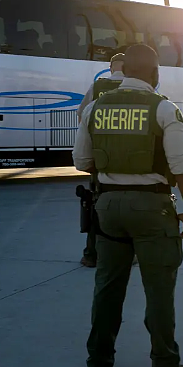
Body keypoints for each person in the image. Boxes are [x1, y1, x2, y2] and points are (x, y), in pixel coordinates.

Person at [72, 44, 183, 367]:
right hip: (153, 209)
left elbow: (82, 162)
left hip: (107, 208)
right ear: (155, 75)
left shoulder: (96, 107)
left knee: (107, 287)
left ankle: (98, 363)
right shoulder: (163, 109)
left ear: (124, 72)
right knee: (158, 290)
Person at [77, 53, 126, 268]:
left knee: (96, 205)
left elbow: (82, 114)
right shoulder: (142, 90)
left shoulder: (98, 88)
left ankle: (91, 254)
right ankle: (124, 254)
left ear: (111, 67)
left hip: (100, 157)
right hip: (129, 159)